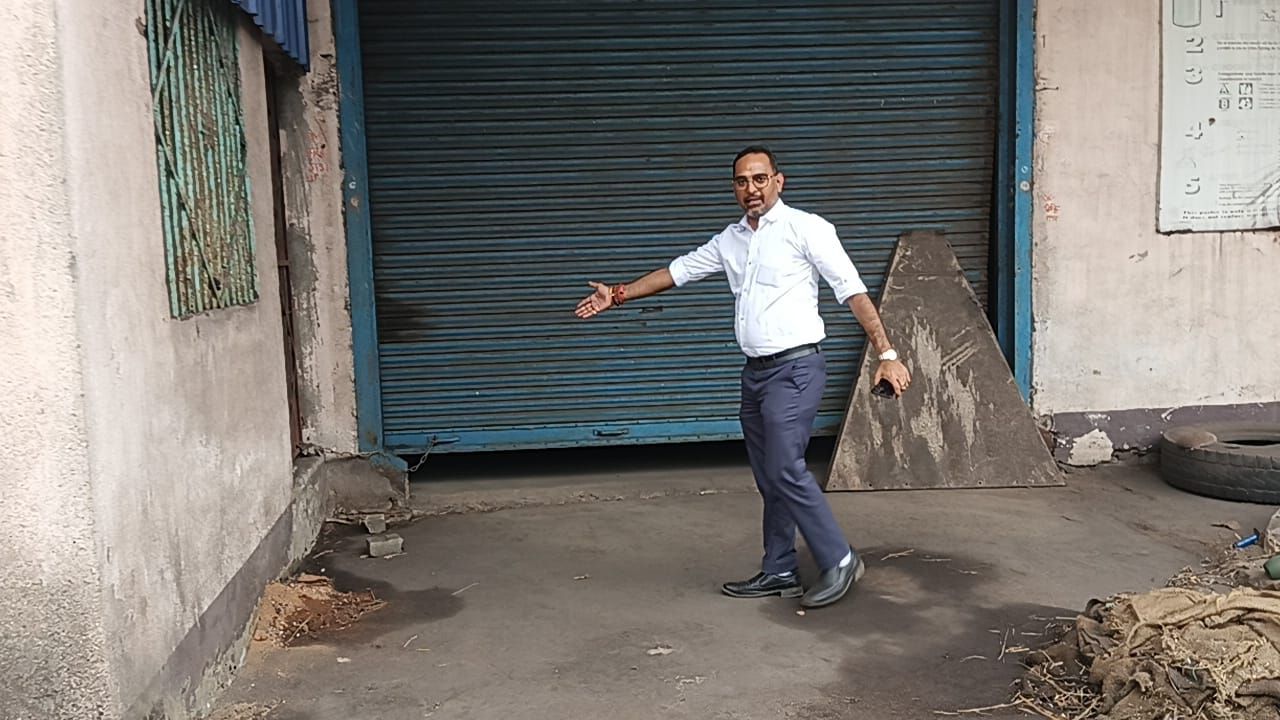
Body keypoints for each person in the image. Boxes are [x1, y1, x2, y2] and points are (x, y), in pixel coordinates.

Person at [574, 146, 911, 609]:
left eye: (759, 179)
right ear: (734, 188)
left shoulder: (806, 228)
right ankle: (780, 569)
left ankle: (840, 558)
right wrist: (617, 294)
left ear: (778, 181)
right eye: (741, 181)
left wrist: (887, 354)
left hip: (796, 369)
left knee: (786, 466)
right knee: (770, 477)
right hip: (755, 375)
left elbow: (851, 290)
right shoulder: (730, 240)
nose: (751, 188)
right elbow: (678, 271)